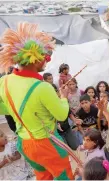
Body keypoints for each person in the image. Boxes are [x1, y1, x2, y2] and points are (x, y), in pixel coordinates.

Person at [0, 22, 73, 180]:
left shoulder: (4, 81)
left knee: (43, 177)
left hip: (24, 144)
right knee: (64, 177)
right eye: (46, 56)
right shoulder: (43, 87)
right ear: (36, 59)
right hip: (46, 144)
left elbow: (3, 108)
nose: (47, 61)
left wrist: (19, 109)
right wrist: (64, 98)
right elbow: (61, 115)